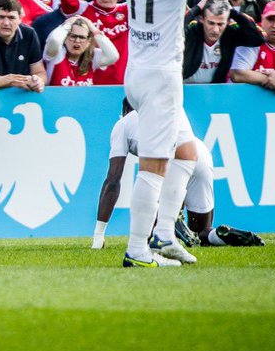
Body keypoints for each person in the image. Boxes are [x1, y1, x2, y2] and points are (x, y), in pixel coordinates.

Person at [91, 0, 275, 268]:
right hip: (161, 77)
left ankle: (162, 236)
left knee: (189, 154)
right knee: (155, 166)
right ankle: (138, 249)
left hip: (136, 72)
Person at [93, 106, 264, 251]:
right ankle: (219, 235)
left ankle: (173, 221)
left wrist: (98, 235)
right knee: (201, 232)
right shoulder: (167, 108)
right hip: (200, 154)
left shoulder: (122, 124)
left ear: (125, 109)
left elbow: (113, 180)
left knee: (153, 237)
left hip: (173, 158)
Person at [182, 0, 264, 84]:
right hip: (185, 88)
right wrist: (197, 8)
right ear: (202, 19)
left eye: (220, 24)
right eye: (211, 23)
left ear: (228, 21)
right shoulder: (191, 31)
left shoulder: (230, 34)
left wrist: (232, 11)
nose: (215, 30)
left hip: (215, 89)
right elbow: (174, 31)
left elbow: (257, 39)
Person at [43, 14, 119, 86]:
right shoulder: (56, 54)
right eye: (73, 36)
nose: (77, 41)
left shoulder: (92, 57)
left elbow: (113, 56)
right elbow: (55, 40)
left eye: (82, 37)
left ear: (88, 41)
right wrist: (66, 25)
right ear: (65, 38)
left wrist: (94, 30)